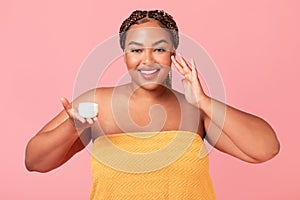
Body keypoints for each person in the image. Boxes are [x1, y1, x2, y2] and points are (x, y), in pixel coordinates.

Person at [25, 10, 280, 199]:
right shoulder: (96, 103)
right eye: (136, 50)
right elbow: (34, 162)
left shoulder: (195, 111)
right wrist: (71, 128)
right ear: (124, 55)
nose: (147, 60)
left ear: (173, 53)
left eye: (159, 49)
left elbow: (266, 149)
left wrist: (204, 101)